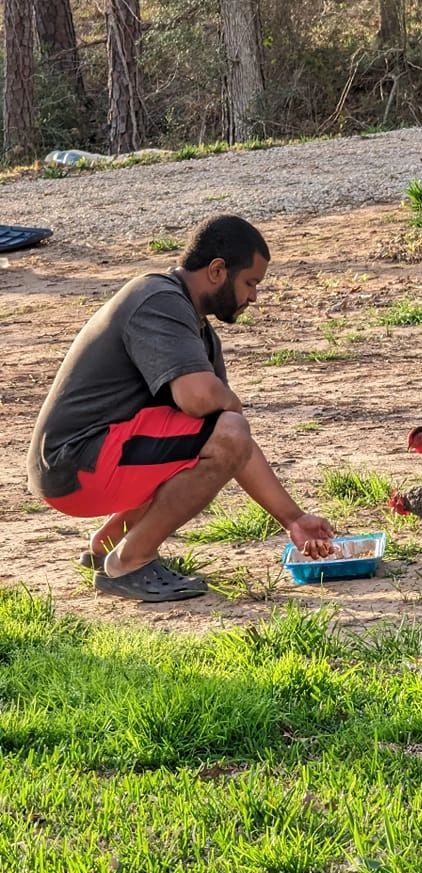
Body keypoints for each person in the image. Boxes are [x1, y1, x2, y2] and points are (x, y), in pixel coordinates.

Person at [26, 214, 334, 601]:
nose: (254, 296)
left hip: (83, 464)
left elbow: (230, 444)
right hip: (74, 466)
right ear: (218, 270)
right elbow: (201, 401)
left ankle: (108, 544)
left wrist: (293, 518)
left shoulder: (197, 330)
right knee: (224, 431)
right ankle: (130, 562)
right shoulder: (159, 300)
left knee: (217, 435)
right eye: (250, 282)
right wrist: (230, 404)